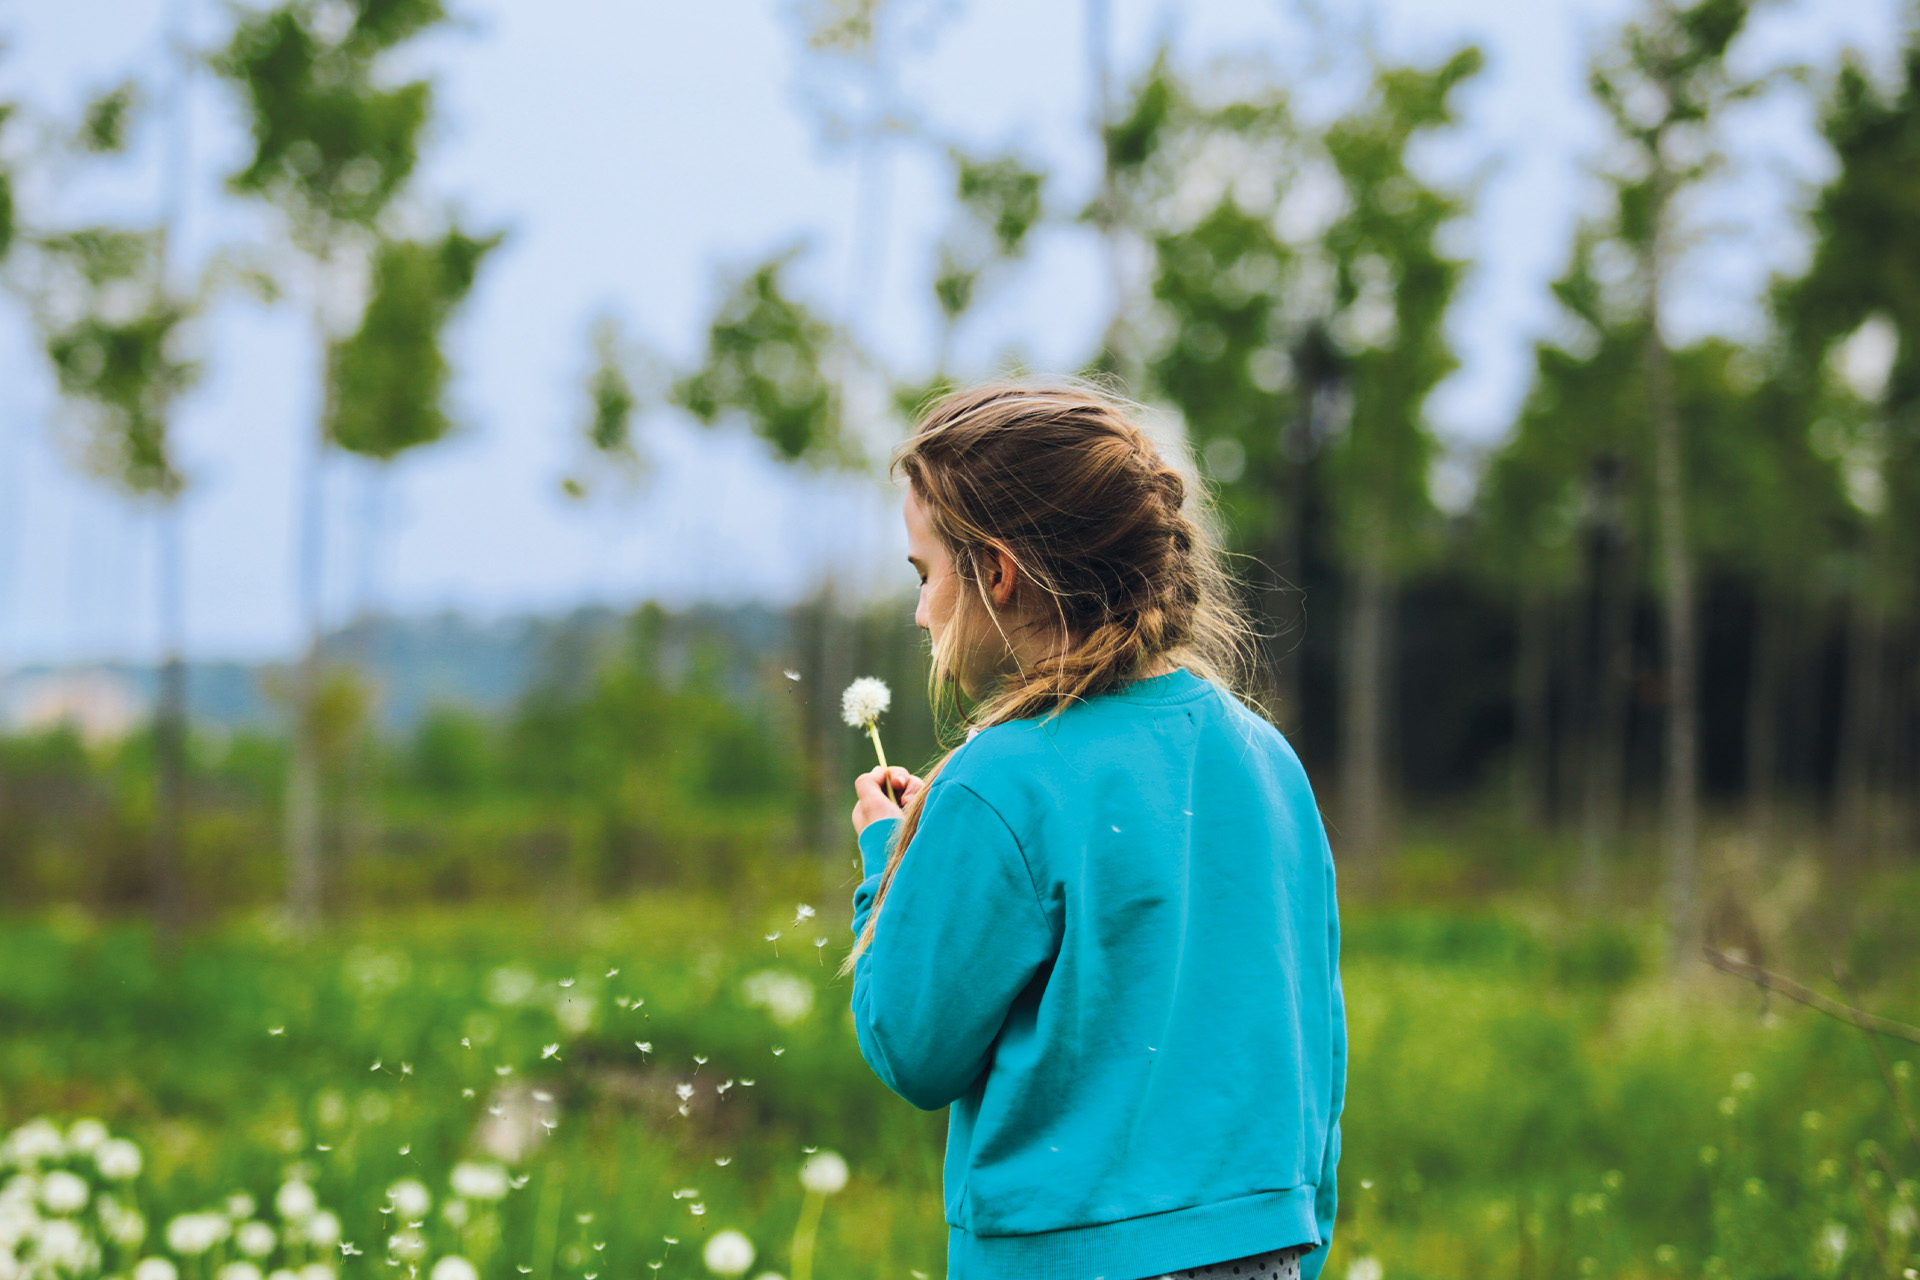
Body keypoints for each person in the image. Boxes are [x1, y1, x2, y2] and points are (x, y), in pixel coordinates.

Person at [840, 381, 1347, 1280]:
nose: (921, 613)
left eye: (926, 575)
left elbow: (914, 1043)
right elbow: (1310, 1041)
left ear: (995, 572)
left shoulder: (1000, 780)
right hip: (1260, 1247)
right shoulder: (1267, 759)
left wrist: (891, 857)